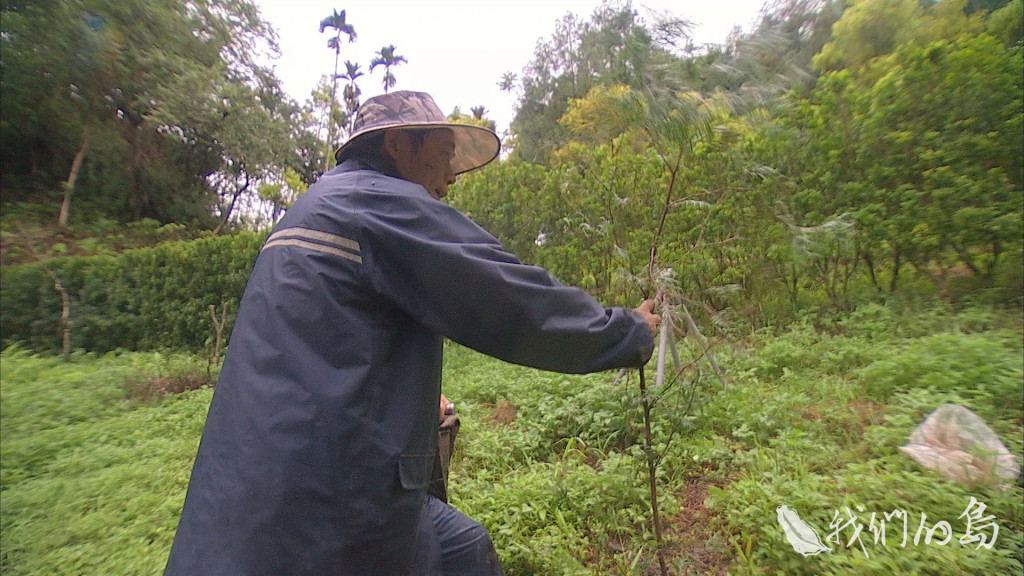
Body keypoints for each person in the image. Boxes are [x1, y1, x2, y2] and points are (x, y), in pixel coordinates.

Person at [164, 90, 660, 576]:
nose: (448, 180)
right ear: (399, 144)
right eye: (443, 157)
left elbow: (324, 346)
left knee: (463, 548)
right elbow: (508, 299)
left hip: (259, 474)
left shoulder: (315, 207)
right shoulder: (378, 205)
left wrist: (412, 399)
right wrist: (626, 331)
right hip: (328, 497)